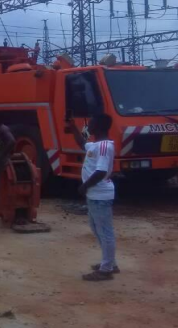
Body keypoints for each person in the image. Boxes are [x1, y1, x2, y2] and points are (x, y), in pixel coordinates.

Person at [70, 113, 118, 281]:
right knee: (97, 228)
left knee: (105, 231)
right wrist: (72, 125)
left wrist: (84, 186)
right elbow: (82, 143)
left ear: (99, 126)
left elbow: (101, 171)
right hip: (94, 195)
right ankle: (109, 262)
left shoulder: (104, 146)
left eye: (91, 123)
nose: (88, 126)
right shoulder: (95, 145)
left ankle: (106, 269)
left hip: (100, 195)